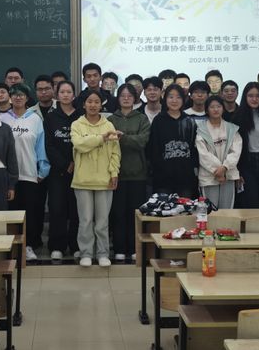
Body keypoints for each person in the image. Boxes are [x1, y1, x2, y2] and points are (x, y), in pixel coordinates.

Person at [0, 83, 50, 261]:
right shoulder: (2, 118)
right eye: (14, 94)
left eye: (21, 95)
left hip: (29, 173)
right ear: (10, 98)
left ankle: (28, 246)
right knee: (11, 212)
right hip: (8, 177)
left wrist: (42, 169)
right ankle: (11, 247)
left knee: (30, 212)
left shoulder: (35, 119)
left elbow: (41, 145)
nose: (18, 97)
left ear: (27, 98)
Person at [71, 90, 121, 267]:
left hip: (104, 180)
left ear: (101, 105)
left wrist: (114, 173)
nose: (93, 105)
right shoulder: (77, 124)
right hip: (82, 180)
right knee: (85, 220)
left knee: (102, 221)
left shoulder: (109, 125)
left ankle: (102, 253)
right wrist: (101, 138)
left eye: (96, 102)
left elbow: (115, 152)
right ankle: (86, 253)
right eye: (89, 101)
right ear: (84, 104)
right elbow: (79, 144)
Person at [109, 83, 150, 263]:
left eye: (129, 95)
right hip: (116, 173)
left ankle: (134, 248)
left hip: (137, 174)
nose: (126, 98)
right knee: (118, 213)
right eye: (122, 95)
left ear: (135, 98)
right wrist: (126, 139)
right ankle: (119, 248)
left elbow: (142, 141)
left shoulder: (142, 118)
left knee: (135, 213)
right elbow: (108, 143)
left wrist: (123, 137)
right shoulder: (110, 119)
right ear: (118, 98)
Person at [44, 81, 81, 260]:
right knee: (57, 208)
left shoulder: (81, 116)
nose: (66, 95)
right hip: (57, 172)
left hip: (80, 171)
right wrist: (65, 164)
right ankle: (57, 246)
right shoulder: (51, 117)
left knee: (77, 210)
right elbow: (49, 145)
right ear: (57, 95)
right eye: (62, 92)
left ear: (74, 95)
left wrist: (75, 162)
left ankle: (76, 245)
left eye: (69, 92)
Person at [147, 84, 198, 197]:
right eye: (171, 97)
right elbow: (153, 148)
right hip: (163, 178)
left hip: (186, 178)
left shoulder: (189, 121)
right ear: (165, 99)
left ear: (183, 99)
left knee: (185, 207)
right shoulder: (158, 120)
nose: (174, 100)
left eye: (178, 97)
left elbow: (194, 149)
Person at [196, 95, 241, 210]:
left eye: (219, 106)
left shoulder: (232, 128)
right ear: (207, 110)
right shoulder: (200, 129)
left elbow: (236, 151)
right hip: (209, 176)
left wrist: (225, 168)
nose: (215, 109)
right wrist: (218, 171)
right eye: (212, 107)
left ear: (223, 108)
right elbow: (203, 154)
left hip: (228, 175)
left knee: (227, 211)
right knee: (210, 211)